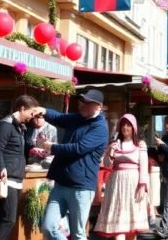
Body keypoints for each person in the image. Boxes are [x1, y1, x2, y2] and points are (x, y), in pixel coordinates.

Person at [39, 89, 110, 240]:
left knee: (78, 233)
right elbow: (59, 118)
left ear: (99, 106)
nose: (82, 105)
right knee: (48, 227)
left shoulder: (100, 128)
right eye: (82, 101)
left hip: (81, 188)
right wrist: (43, 110)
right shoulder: (77, 118)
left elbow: (79, 148)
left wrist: (51, 147)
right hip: (61, 184)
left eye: (88, 103)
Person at [0, 95, 39, 240]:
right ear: (22, 108)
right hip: (7, 178)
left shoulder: (19, 127)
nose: (32, 116)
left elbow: (15, 148)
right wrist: (1, 167)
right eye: (31, 112)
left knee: (0, 218)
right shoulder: (6, 125)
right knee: (8, 219)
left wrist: (32, 149)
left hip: (14, 178)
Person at [96, 114, 150, 239]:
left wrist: (142, 186)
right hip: (116, 185)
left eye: (128, 125)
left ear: (134, 128)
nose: (125, 128)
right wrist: (110, 151)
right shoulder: (115, 144)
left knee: (132, 226)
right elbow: (108, 164)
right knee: (119, 224)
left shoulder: (140, 144)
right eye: (123, 125)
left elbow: (143, 166)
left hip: (133, 184)